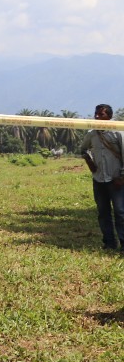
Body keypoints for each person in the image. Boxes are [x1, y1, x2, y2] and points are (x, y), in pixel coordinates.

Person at [79, 104, 124, 253]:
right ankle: (109, 243)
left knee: (120, 212)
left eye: (101, 114)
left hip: (116, 179)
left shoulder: (118, 133)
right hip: (99, 180)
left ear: (109, 117)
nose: (97, 117)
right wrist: (89, 161)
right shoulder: (91, 134)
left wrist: (122, 177)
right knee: (103, 212)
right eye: (96, 114)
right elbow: (83, 149)